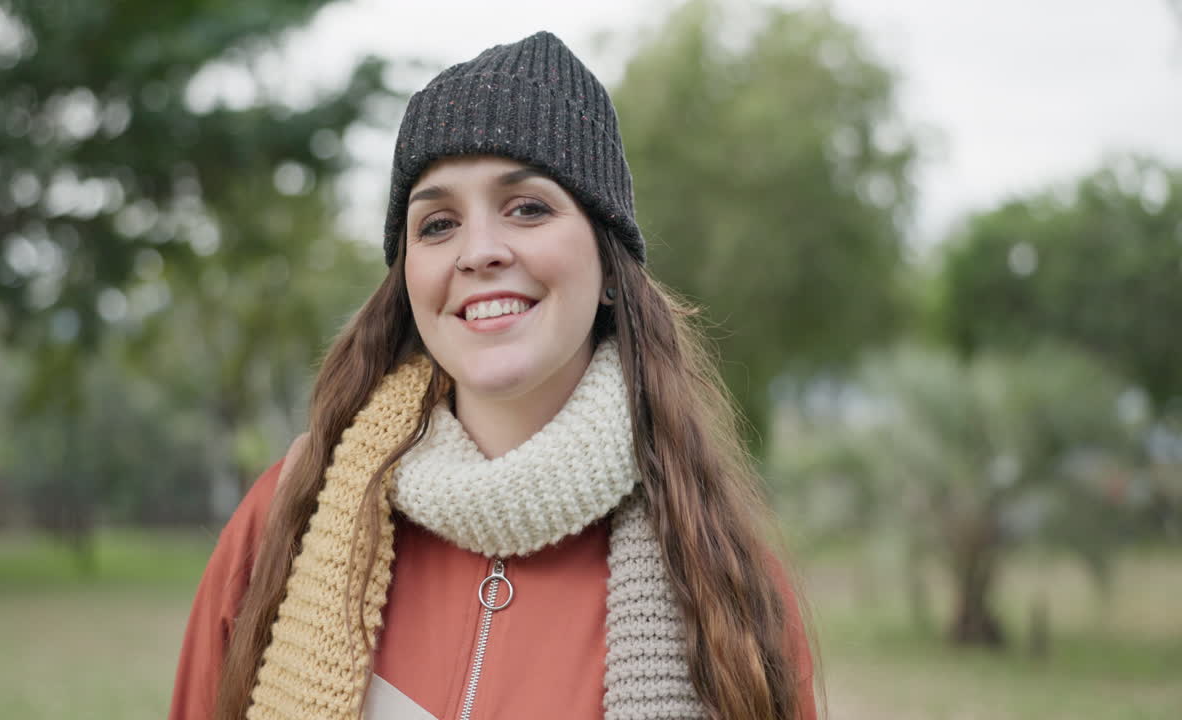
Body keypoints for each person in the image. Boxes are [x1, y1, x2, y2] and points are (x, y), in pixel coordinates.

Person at [170, 31, 816, 720]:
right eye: (439, 223)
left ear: (608, 263)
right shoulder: (288, 515)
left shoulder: (719, 573)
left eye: (528, 208)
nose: (478, 252)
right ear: (408, 280)